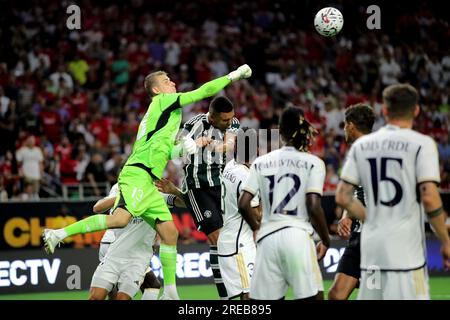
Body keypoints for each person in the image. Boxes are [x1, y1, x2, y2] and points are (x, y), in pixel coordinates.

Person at [42, 64, 252, 300]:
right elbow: (202, 92)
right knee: (120, 219)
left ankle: (171, 293)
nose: (172, 82)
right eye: (166, 80)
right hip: (137, 174)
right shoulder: (163, 102)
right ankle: (58, 234)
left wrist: (185, 147)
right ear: (156, 90)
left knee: (170, 233)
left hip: (148, 177)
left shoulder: (166, 115)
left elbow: (165, 152)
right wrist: (234, 76)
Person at [336, 84, 450, 300]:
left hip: (372, 249)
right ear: (416, 111)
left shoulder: (362, 147)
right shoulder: (422, 144)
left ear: (385, 111)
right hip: (406, 254)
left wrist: (373, 218)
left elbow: (343, 196)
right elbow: (429, 197)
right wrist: (445, 240)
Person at [238, 106, 330, 300]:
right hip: (298, 236)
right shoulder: (313, 162)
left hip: (267, 238)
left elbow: (244, 203)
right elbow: (313, 206)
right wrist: (326, 239)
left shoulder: (261, 162)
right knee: (314, 296)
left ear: (280, 131)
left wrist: (256, 228)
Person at [178, 95, 240, 298]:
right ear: (212, 117)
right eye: (225, 120)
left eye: (231, 118)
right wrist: (191, 144)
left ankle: (234, 290)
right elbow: (176, 147)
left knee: (227, 241)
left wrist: (210, 145)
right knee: (218, 240)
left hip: (221, 186)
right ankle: (226, 295)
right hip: (198, 188)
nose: (230, 122)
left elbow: (229, 146)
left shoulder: (233, 122)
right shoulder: (193, 124)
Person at [90, 182, 185, 300]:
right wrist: (124, 195)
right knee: (115, 292)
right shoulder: (121, 186)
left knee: (151, 285)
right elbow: (97, 207)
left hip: (130, 247)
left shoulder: (155, 191)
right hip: (115, 244)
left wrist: (174, 190)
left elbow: (184, 203)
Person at [328, 104, 375, 300]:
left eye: (345, 126)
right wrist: (347, 216)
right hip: (358, 237)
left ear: (351, 126)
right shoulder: (357, 152)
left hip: (375, 239)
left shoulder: (373, 151)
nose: (344, 130)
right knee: (336, 295)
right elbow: (359, 190)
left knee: (372, 296)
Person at [218, 128, 260, 300]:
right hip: (240, 244)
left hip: (228, 238)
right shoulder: (246, 176)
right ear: (255, 150)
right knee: (249, 295)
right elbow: (256, 214)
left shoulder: (230, 167)